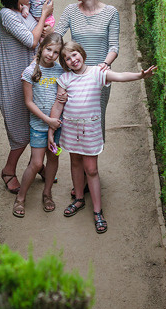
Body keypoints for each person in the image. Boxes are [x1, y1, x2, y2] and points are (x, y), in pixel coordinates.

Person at [49, 40, 156, 234]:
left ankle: (98, 211)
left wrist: (141, 75)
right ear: (64, 63)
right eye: (67, 58)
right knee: (75, 163)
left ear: (81, 53)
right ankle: (79, 199)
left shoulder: (97, 73)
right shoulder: (64, 79)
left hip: (90, 130)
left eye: (75, 54)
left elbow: (120, 75)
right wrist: (51, 130)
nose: (73, 60)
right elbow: (58, 105)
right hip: (71, 130)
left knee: (91, 169)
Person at [0, 0, 54, 194]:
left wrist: (45, 27)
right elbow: (30, 40)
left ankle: (35, 165)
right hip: (13, 80)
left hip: (30, 77)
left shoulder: (23, 10)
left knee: (35, 124)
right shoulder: (6, 15)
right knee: (19, 130)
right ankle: (8, 170)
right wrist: (43, 18)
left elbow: (38, 37)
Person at [55, 0, 119, 141]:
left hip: (98, 76)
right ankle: (80, 165)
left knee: (96, 122)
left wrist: (105, 63)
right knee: (76, 121)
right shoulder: (70, 11)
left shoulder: (111, 12)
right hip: (76, 77)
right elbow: (56, 37)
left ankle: (91, 167)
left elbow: (113, 46)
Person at [13, 33, 66, 218]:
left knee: (53, 158)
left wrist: (64, 99)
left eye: (56, 52)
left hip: (56, 126)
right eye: (49, 49)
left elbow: (62, 98)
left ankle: (47, 193)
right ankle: (20, 198)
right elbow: (29, 102)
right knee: (36, 163)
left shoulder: (60, 71)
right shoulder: (29, 72)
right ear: (42, 47)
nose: (51, 55)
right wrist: (47, 120)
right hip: (39, 125)